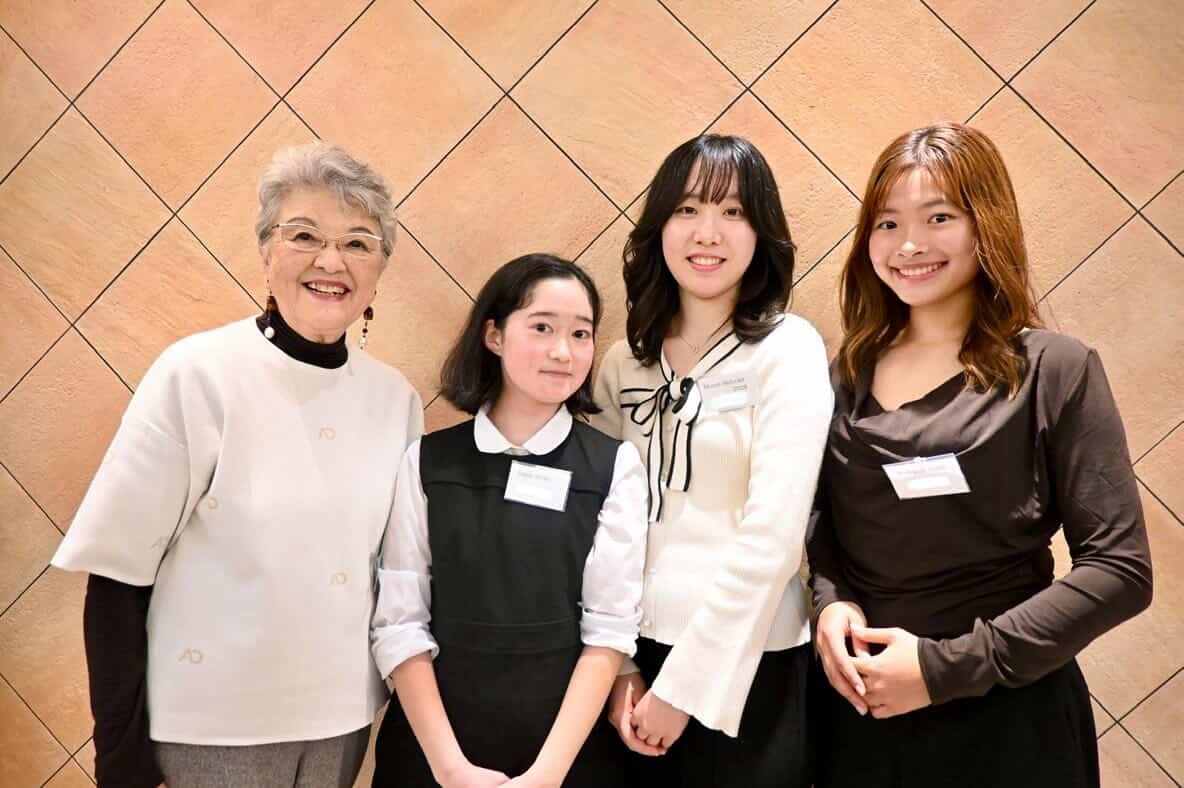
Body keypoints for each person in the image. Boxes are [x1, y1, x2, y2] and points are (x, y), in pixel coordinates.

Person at [52, 142, 423, 788]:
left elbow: (396, 576)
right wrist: (120, 757)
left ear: (379, 270)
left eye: (358, 243)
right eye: (304, 235)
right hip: (208, 726)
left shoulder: (395, 399)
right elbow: (116, 577)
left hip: (340, 721)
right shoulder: (197, 375)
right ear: (265, 253)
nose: (330, 261)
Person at [807, 122, 1153, 788]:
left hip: (1007, 721)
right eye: (887, 223)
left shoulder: (1054, 369)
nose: (909, 245)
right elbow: (825, 528)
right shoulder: (844, 376)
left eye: (938, 217)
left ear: (985, 224)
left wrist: (943, 670)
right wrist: (832, 604)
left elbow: (1121, 571)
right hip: (861, 718)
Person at [591, 134, 832, 787]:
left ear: (761, 233)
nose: (708, 232)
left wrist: (684, 689)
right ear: (660, 225)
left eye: (733, 212)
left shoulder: (788, 348)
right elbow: (601, 526)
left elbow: (775, 538)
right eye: (688, 208)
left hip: (748, 660)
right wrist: (618, 666)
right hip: (629, 659)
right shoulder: (624, 361)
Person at [370, 253, 648, 787]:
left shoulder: (613, 466)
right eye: (542, 327)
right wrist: (451, 770)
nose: (563, 351)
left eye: (581, 333)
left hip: (564, 756)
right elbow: (400, 623)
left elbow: (609, 631)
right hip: (433, 753)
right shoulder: (428, 462)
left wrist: (545, 776)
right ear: (494, 335)